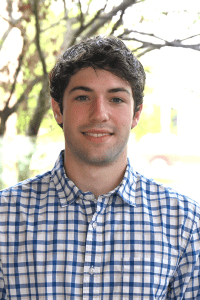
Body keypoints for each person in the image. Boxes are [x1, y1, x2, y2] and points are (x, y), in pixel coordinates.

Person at [0, 36, 199, 300]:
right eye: (83, 97)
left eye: (116, 99)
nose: (99, 114)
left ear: (136, 114)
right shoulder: (5, 217)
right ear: (58, 110)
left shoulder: (185, 223)